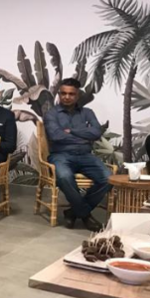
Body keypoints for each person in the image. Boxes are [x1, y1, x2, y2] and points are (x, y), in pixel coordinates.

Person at [44, 78, 111, 231]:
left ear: (77, 95)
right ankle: (85, 214)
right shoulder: (51, 114)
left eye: (71, 94)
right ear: (59, 94)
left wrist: (72, 131)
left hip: (86, 155)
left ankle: (73, 212)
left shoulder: (87, 113)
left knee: (107, 178)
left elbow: (96, 132)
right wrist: (84, 135)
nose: (66, 97)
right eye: (63, 93)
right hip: (61, 155)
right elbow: (56, 136)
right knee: (64, 177)